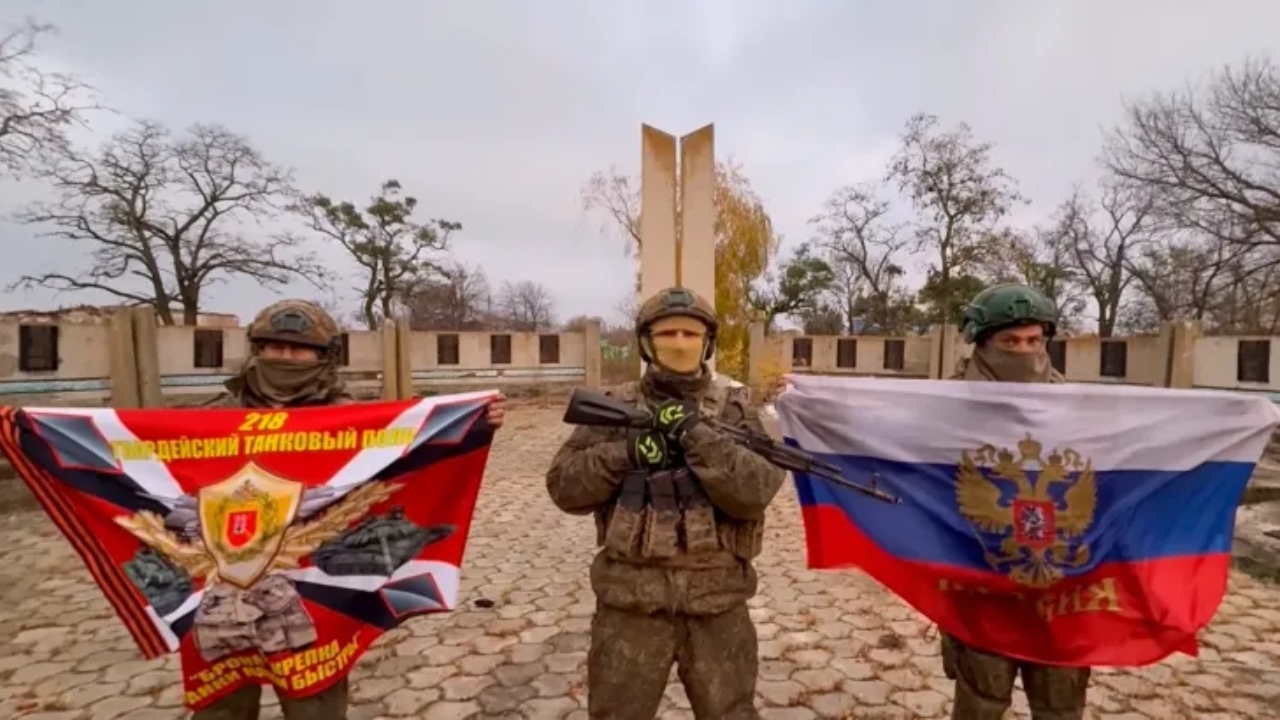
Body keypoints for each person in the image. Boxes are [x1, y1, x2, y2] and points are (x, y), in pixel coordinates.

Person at [194, 299, 505, 720]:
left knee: (314, 707)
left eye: (299, 350)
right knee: (222, 708)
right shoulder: (213, 418)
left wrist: (475, 422)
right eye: (274, 347)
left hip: (311, 590)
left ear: (324, 356)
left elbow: (409, 453)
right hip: (225, 585)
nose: (285, 357)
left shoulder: (350, 418)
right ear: (256, 349)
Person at [546, 287, 786, 720]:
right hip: (630, 606)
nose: (679, 342)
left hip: (717, 605)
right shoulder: (615, 408)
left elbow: (756, 491)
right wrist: (626, 452)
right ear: (646, 342)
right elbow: (564, 488)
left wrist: (697, 436)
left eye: (691, 334)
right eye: (667, 333)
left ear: (707, 343)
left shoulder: (734, 410)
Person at [944, 284, 1090, 720]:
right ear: (981, 342)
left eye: (1034, 341)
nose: (1025, 352)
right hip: (979, 585)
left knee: (1060, 705)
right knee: (981, 704)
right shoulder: (943, 406)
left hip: (1058, 588)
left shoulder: (1076, 407)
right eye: (1009, 342)